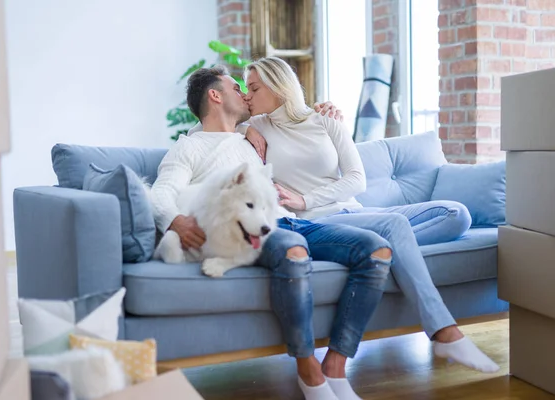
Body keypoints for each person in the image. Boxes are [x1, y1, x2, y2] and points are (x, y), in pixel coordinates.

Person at [228, 56, 498, 375]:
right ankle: (444, 331)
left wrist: (306, 196)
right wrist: (243, 127)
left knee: (456, 214)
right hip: (319, 224)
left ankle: (390, 250)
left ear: (278, 86)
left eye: (254, 88)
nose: (247, 95)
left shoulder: (325, 120)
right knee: (394, 224)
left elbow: (356, 179)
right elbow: (205, 124)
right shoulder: (257, 127)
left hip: (356, 212)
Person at [151, 65, 393, 400]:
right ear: (215, 96)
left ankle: (335, 365)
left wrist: (258, 129)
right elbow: (160, 192)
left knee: (376, 249)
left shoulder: (251, 137)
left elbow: (285, 121)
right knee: (294, 251)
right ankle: (308, 373)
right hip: (256, 232)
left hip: (288, 219)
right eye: (237, 88)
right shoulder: (188, 148)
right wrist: (176, 221)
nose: (245, 94)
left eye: (250, 89)